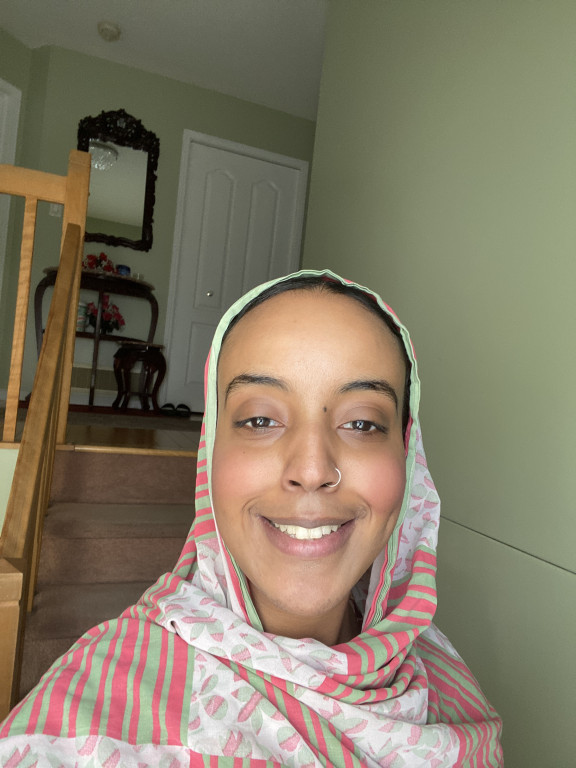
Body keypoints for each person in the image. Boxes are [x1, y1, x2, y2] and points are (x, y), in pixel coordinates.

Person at [0, 270, 503, 766]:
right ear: (211, 450)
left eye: (362, 423)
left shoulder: (437, 665)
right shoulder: (91, 716)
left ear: (408, 457)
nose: (312, 470)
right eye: (260, 419)